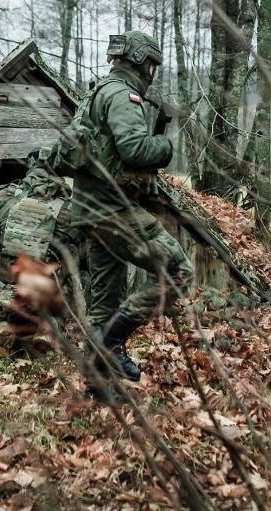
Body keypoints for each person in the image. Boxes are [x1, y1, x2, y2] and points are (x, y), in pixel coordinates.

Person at [71, 31, 195, 401]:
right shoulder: (124, 95)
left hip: (89, 210)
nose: (153, 72)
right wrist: (166, 146)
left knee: (104, 301)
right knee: (179, 270)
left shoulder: (96, 93)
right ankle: (112, 345)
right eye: (152, 64)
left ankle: (98, 386)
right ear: (141, 61)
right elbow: (134, 149)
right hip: (112, 210)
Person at [0, 150, 82, 359]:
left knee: (0, 295)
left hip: (6, 284)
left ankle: (3, 326)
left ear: (31, 167)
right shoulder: (73, 207)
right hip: (47, 288)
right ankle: (48, 328)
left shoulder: (6, 195)